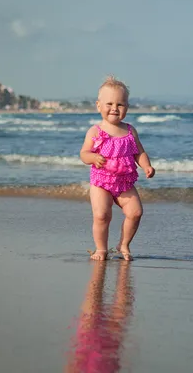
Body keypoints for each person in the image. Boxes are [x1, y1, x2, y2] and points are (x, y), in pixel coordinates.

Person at [80, 76, 155, 261]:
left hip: (124, 181)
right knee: (102, 215)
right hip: (101, 181)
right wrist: (93, 157)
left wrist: (146, 165)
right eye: (109, 103)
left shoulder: (130, 131)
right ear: (99, 106)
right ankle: (101, 249)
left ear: (127, 108)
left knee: (136, 212)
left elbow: (139, 152)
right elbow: (83, 154)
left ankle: (123, 244)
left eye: (120, 104)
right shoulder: (96, 131)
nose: (115, 108)